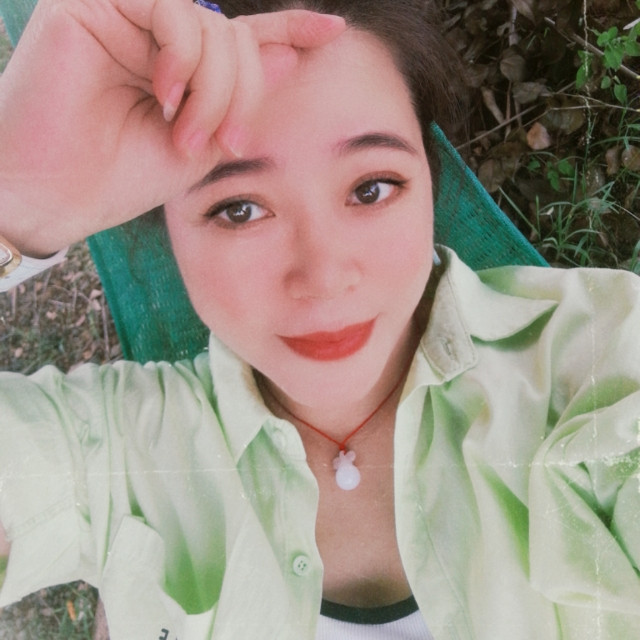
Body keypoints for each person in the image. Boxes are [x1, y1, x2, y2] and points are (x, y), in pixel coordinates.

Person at [1, 0, 639, 638]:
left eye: (371, 188)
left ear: (431, 180)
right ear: (168, 232)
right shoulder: (120, 455)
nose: (324, 277)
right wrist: (15, 201)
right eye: (240, 209)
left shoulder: (596, 362)